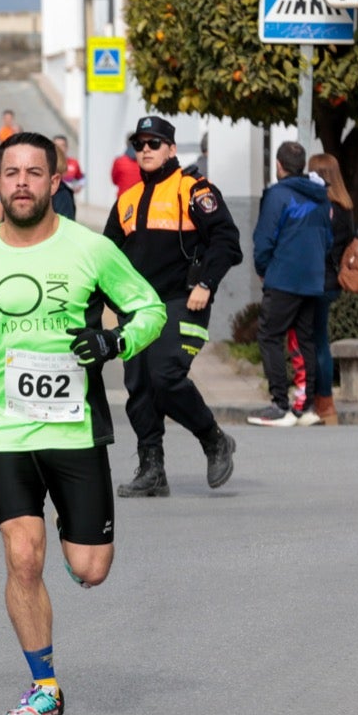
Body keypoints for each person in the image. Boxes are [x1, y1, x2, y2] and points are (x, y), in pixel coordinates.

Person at [0, 131, 166, 715]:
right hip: (5, 430)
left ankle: (72, 534)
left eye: (36, 172)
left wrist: (115, 340)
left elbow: (151, 309)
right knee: (21, 558)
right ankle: (44, 685)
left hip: (74, 426)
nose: (23, 183)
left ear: (55, 183)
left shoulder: (90, 249)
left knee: (90, 568)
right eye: (13, 173)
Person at [102, 115, 242, 496]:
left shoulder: (193, 189)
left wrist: (206, 282)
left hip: (183, 300)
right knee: (140, 386)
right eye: (140, 144)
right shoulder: (128, 200)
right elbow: (105, 258)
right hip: (138, 310)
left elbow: (227, 240)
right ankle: (152, 469)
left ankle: (213, 439)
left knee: (165, 376)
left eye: (154, 143)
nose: (145, 150)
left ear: (171, 149)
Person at [248, 141, 332, 428]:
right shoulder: (321, 197)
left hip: (283, 276)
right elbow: (328, 239)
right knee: (303, 338)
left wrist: (263, 269)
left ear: (279, 166)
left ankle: (280, 404)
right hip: (312, 278)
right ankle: (304, 407)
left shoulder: (277, 195)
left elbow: (264, 239)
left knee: (269, 335)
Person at [307, 153, 358, 425]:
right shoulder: (345, 207)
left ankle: (316, 400)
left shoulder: (313, 206)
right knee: (321, 341)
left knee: (309, 341)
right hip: (332, 281)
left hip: (311, 280)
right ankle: (325, 403)